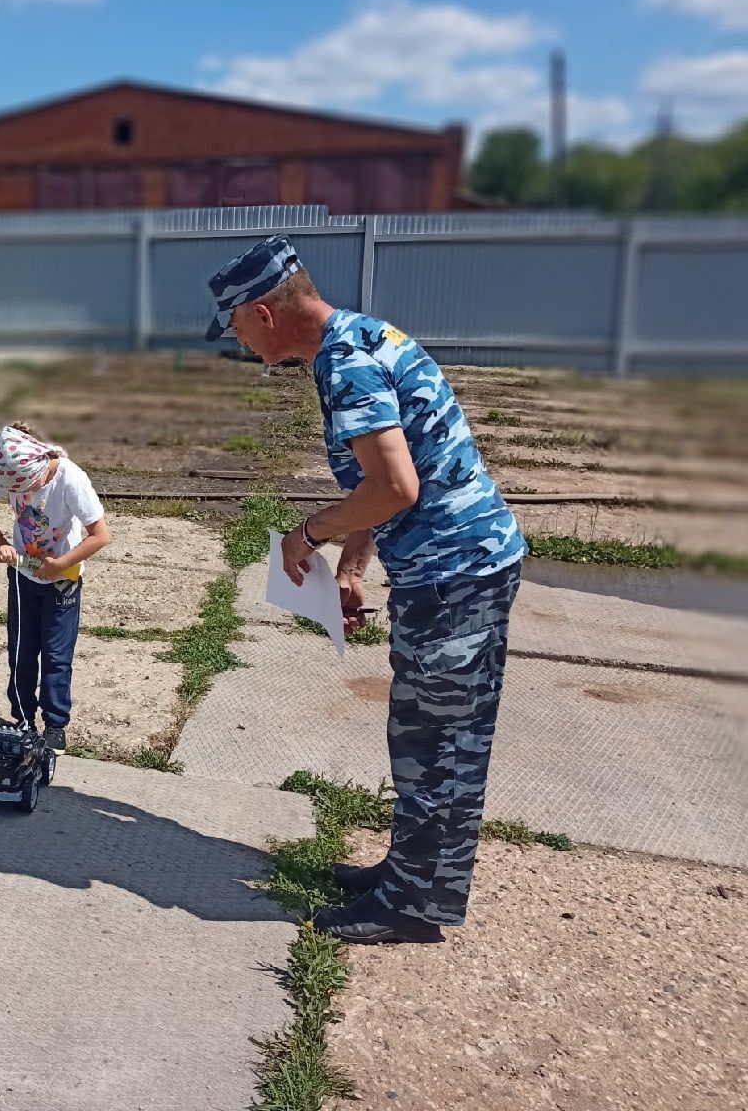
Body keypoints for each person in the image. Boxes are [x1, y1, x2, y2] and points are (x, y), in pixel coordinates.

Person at [203, 235, 525, 945]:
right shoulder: (359, 339)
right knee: (428, 737)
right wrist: (353, 563)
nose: (236, 341)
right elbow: (383, 486)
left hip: (454, 576)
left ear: (263, 313)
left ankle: (411, 907)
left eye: (233, 325)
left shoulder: (345, 365)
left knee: (436, 745)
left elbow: (395, 486)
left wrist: (307, 533)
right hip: (461, 566)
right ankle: (410, 876)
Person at [0, 422, 111, 753]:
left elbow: (101, 535)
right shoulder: (8, 470)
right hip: (22, 575)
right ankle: (22, 719)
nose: (25, 494)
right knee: (21, 652)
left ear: (38, 469)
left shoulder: (70, 479)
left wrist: (60, 565)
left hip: (64, 581)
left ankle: (55, 725)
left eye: (29, 487)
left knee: (56, 655)